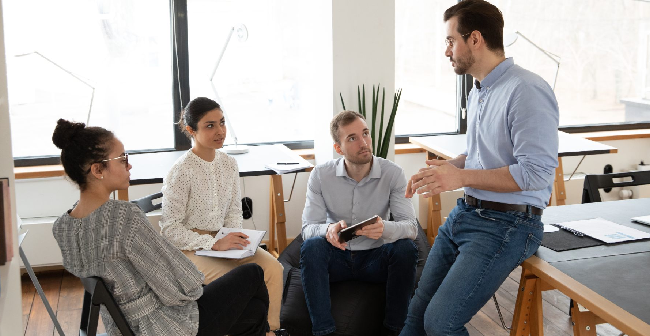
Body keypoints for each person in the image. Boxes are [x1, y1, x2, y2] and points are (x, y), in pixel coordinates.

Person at [399, 0, 559, 336]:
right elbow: (482, 158)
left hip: (509, 224)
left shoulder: (526, 90)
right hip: (467, 215)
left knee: (441, 324)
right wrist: (450, 167)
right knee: (415, 315)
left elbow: (536, 174)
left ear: (475, 39)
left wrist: (459, 175)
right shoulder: (480, 92)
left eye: (450, 40)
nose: (447, 51)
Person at [51, 118, 276, 336]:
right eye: (122, 159)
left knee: (253, 312)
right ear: (98, 170)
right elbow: (183, 283)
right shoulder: (123, 217)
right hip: (164, 326)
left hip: (122, 325)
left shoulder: (63, 227)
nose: (129, 165)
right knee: (253, 273)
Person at [160, 97, 285, 333]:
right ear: (191, 130)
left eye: (222, 122)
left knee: (274, 269)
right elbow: (170, 230)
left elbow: (233, 212)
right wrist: (214, 243)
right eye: (210, 125)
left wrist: (236, 240)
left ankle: (270, 330)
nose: (220, 131)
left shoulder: (229, 164)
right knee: (243, 280)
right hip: (189, 249)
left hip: (223, 241)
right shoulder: (181, 171)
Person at [300, 110, 419, 336]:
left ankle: (394, 330)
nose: (363, 142)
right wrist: (329, 230)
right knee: (311, 247)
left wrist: (386, 228)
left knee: (406, 249)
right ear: (338, 148)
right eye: (352, 138)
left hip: (375, 260)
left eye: (365, 133)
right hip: (337, 257)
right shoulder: (320, 175)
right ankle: (324, 332)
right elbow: (307, 229)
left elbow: (411, 227)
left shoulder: (392, 173)